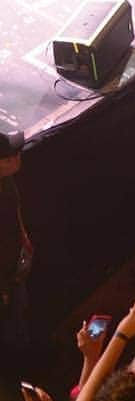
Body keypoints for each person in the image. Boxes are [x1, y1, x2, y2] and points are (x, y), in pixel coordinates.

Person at [0, 129, 30, 358]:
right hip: (4, 276)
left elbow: (16, 205)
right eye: (13, 156)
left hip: (14, 265)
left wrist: (23, 235)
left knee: (19, 310)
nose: (19, 158)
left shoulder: (7, 179)